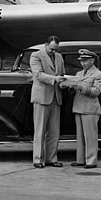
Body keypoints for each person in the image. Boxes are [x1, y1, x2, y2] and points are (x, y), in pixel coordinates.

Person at [64, 49, 101, 169]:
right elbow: (74, 90)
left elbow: (96, 91)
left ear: (92, 60)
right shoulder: (79, 74)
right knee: (80, 136)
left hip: (90, 108)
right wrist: (69, 85)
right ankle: (81, 159)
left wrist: (81, 87)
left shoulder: (98, 74)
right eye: (81, 61)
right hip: (79, 107)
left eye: (85, 61)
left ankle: (91, 161)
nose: (83, 63)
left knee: (90, 136)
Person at [29, 35, 66, 169]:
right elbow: (38, 75)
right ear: (45, 45)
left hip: (56, 97)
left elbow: (62, 74)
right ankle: (38, 159)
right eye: (52, 49)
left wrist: (64, 82)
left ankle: (51, 158)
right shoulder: (35, 56)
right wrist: (55, 79)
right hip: (42, 97)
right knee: (40, 130)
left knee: (54, 131)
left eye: (56, 49)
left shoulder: (59, 57)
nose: (54, 52)